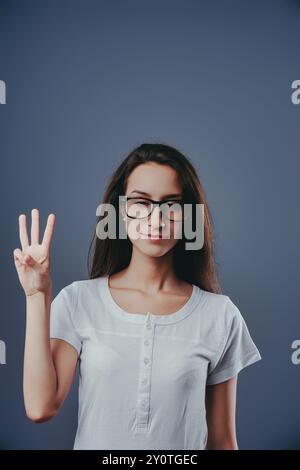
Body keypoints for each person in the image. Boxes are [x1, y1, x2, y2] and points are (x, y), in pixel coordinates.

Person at [13, 143, 262, 450]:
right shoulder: (79, 301)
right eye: (141, 203)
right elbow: (40, 407)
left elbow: (222, 442)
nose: (156, 219)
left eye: (171, 204)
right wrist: (37, 295)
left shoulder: (220, 315)